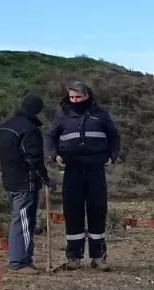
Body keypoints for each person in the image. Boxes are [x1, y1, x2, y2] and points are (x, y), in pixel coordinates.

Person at [45, 80, 119, 270]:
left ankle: (99, 257)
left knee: (97, 211)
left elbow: (114, 136)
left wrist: (112, 155)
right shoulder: (63, 114)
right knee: (73, 212)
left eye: (79, 97)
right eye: (72, 97)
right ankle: (74, 258)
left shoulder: (100, 114)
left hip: (95, 170)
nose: (75, 101)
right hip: (72, 170)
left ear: (87, 96)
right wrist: (54, 155)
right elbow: (51, 136)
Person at [0, 93, 54, 272]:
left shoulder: (6, 126)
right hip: (25, 181)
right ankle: (19, 262)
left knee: (19, 219)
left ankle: (24, 259)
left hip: (10, 179)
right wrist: (45, 179)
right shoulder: (29, 129)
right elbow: (33, 158)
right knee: (23, 221)